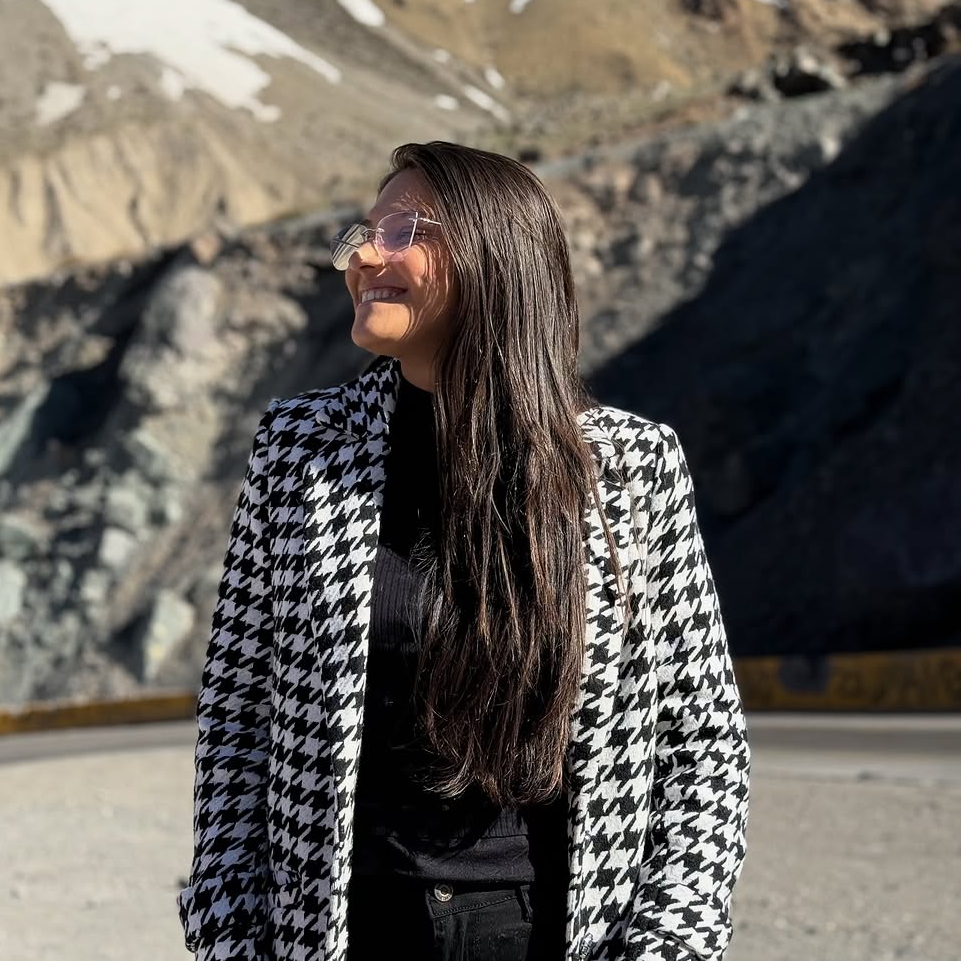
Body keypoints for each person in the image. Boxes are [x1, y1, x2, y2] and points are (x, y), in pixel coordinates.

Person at [179, 140, 750, 961]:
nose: (364, 255)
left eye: (403, 230)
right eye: (363, 232)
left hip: (549, 931)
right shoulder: (300, 449)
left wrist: (667, 944)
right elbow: (237, 718)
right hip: (340, 932)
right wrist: (230, 934)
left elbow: (702, 742)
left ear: (495, 255)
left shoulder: (630, 467)